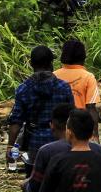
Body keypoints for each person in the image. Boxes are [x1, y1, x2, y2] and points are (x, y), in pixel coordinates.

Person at [8, 46, 74, 176]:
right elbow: (73, 116)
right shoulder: (64, 87)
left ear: (32, 64)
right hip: (61, 140)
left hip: (35, 142)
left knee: (34, 181)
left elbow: (16, 122)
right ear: (51, 64)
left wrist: (10, 147)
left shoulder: (23, 89)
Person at [54, 39, 101, 140]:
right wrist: (95, 134)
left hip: (58, 130)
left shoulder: (53, 76)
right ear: (83, 56)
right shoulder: (88, 77)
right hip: (80, 130)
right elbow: (91, 108)